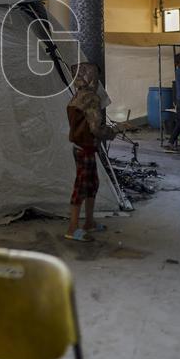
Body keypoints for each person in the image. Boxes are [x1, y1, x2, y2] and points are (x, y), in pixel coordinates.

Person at [65, 64, 115, 242]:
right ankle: (72, 228)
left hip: (81, 147)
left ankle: (89, 222)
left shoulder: (77, 96)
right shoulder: (91, 98)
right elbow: (95, 128)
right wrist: (113, 132)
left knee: (92, 184)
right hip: (85, 148)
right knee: (81, 187)